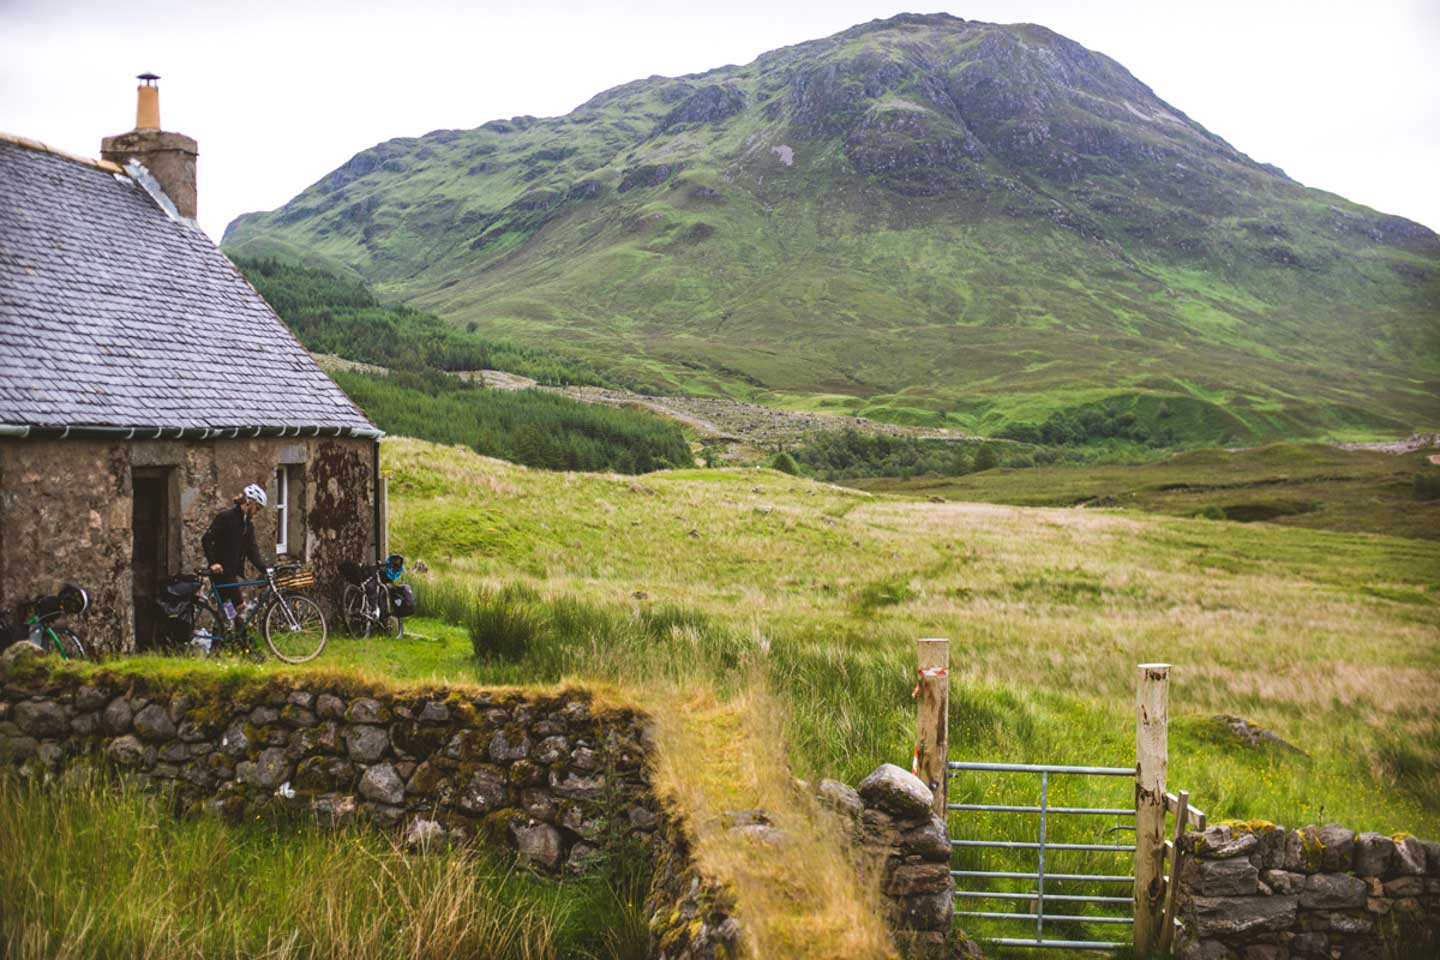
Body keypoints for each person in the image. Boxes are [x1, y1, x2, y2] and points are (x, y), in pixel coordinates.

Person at [201, 483, 272, 626]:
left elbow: (252, 551)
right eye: (257, 507)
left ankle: (228, 641)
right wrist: (213, 562)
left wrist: (264, 568)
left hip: (230, 573)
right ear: (249, 502)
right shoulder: (226, 517)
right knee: (240, 608)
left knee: (228, 611)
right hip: (221, 573)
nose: (257, 511)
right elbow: (207, 539)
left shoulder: (247, 525)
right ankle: (241, 643)